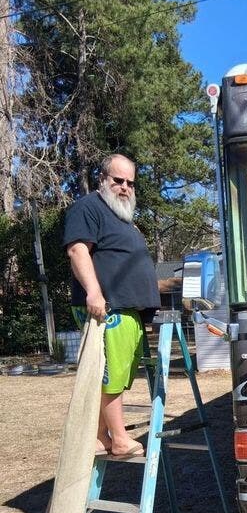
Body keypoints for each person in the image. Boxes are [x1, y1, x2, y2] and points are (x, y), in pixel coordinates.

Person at [63, 153, 179, 457]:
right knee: (112, 373)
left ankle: (100, 437)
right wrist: (93, 292)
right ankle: (119, 438)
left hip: (127, 309)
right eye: (118, 180)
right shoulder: (88, 207)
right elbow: (77, 250)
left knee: (120, 372)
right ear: (103, 179)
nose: (125, 187)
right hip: (107, 307)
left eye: (130, 182)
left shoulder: (121, 216)